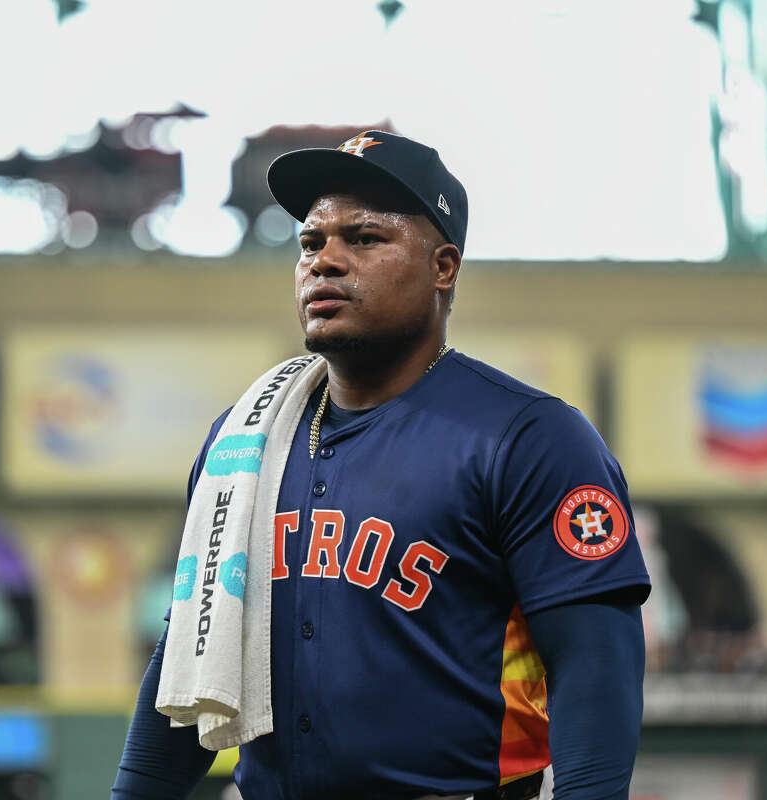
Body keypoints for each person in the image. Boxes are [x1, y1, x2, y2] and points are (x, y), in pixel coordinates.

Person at [113, 131, 650, 800]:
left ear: (443, 266)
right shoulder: (241, 442)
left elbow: (595, 665)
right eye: (311, 243)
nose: (326, 261)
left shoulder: (529, 437)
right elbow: (186, 650)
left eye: (364, 239)